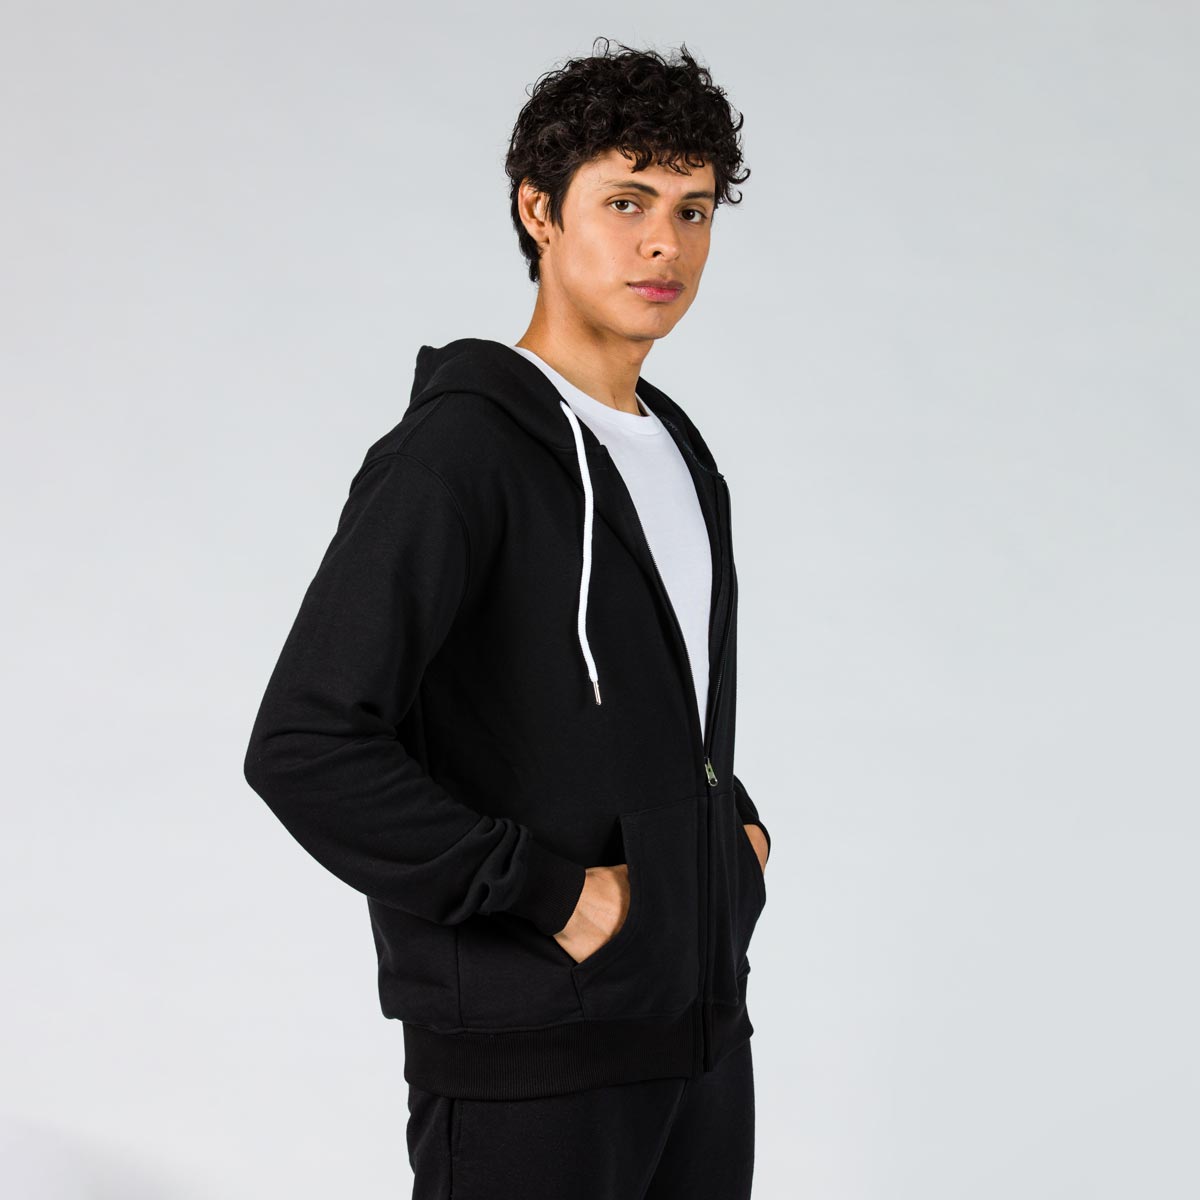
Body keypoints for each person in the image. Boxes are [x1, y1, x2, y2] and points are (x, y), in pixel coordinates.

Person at [243, 36, 772, 1199]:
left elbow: (654, 715)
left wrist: (731, 844)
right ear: (539, 208)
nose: (664, 244)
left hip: (698, 1044)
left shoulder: (679, 454)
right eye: (626, 201)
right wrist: (552, 896)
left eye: (691, 211)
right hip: (531, 1065)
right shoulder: (459, 454)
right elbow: (305, 743)